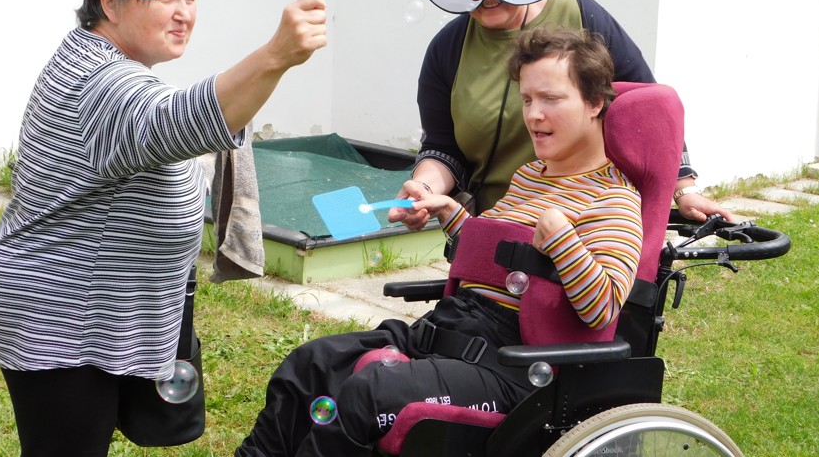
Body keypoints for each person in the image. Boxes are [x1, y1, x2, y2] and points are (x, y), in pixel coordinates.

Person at [0, 0, 328, 456]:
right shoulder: (101, 83)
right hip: (62, 319)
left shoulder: (101, 62)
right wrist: (276, 54)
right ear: (110, 3)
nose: (183, 13)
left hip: (89, 311)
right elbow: (175, 120)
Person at [235, 26, 642, 457]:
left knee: (370, 393)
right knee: (311, 364)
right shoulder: (530, 176)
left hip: (514, 366)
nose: (534, 115)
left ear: (595, 102)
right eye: (526, 99)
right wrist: (449, 213)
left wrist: (564, 241)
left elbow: (602, 309)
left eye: (551, 99)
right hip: (450, 329)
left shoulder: (613, 200)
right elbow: (500, 264)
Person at [396, 0, 732, 222]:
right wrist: (423, 189)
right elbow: (442, 148)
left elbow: (652, 110)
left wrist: (684, 189)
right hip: (498, 222)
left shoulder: (583, 17)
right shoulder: (448, 47)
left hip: (590, 220)